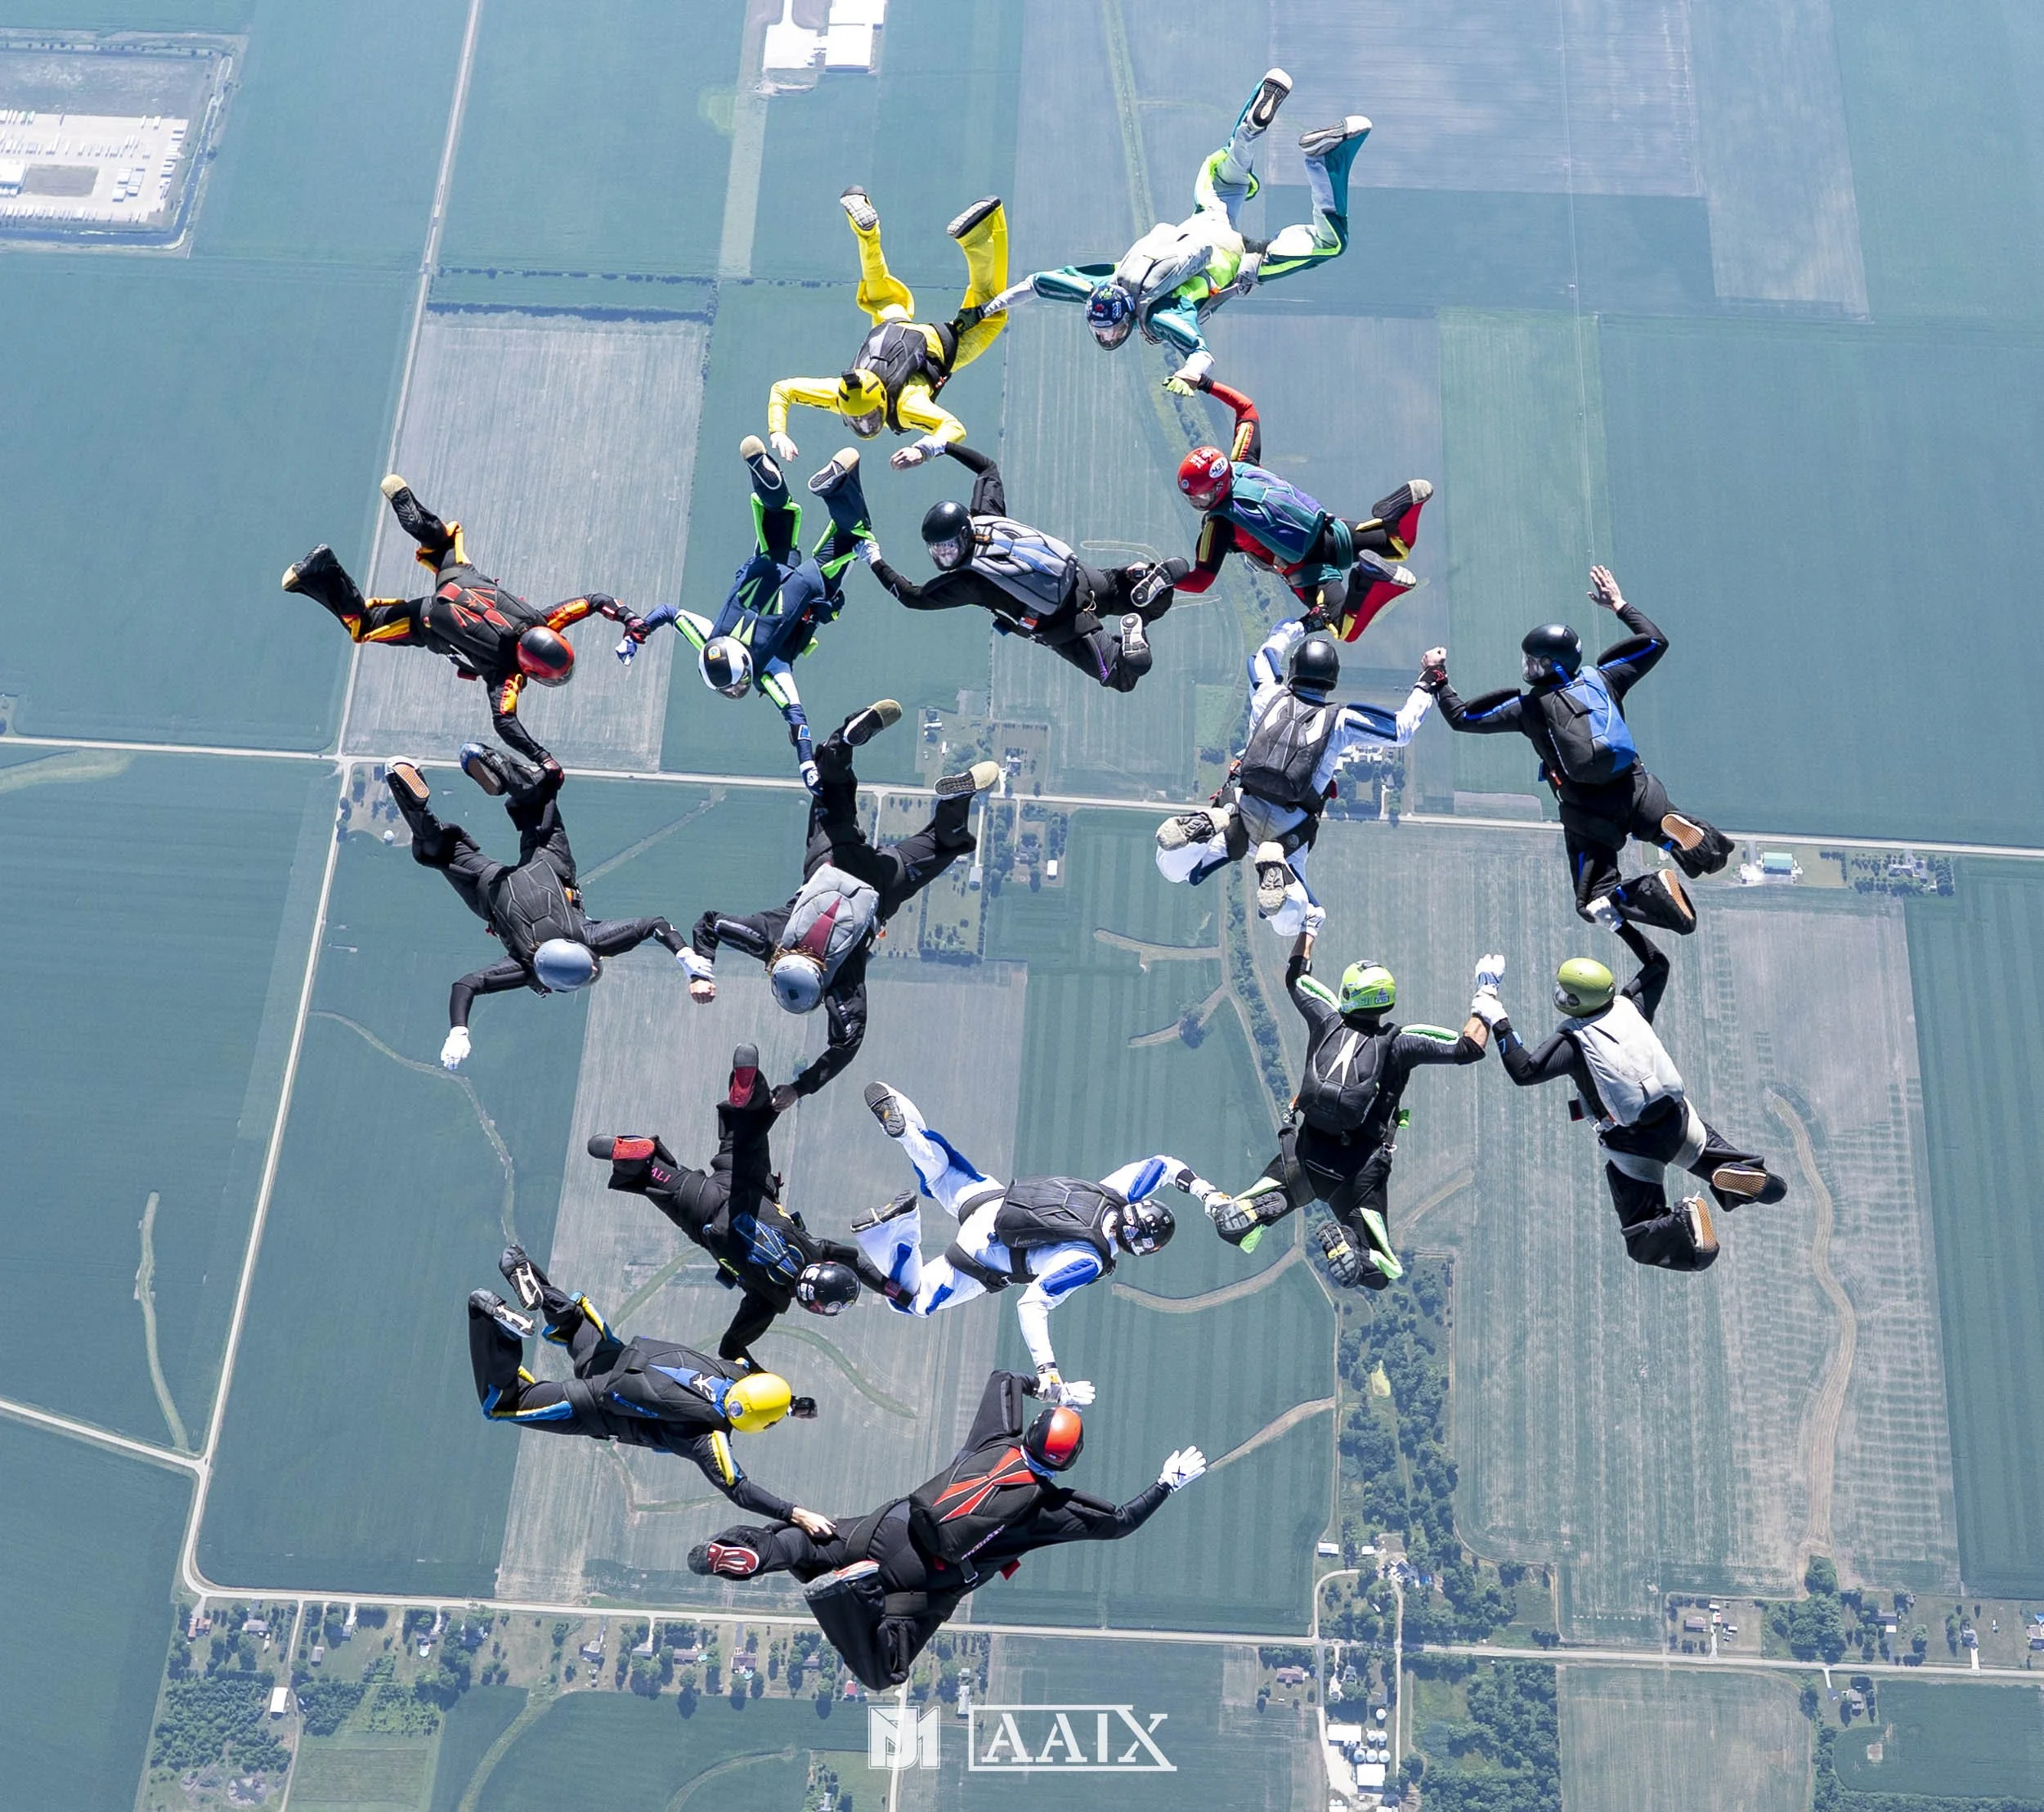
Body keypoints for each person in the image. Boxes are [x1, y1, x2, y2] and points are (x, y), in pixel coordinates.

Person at [686, 1366, 1208, 1689]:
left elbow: (1004, 1379)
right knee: (884, 1670)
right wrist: (1167, 1482)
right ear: (1069, 1462)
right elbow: (1118, 1523)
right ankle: (856, 1592)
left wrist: (1054, 1389)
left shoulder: (993, 1441)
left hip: (886, 1527)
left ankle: (746, 1550)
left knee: (803, 1542)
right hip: (925, 1581)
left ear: (1029, 1430)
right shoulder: (1048, 1507)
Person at [979, 70, 1369, 392]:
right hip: (1203, 223)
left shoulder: (1161, 316)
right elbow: (1035, 284)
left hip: (1238, 259)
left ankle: (1323, 161)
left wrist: (1188, 375)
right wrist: (989, 307)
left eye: (1110, 332)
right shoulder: (1105, 284)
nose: (1109, 337)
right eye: (1106, 333)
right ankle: (1251, 127)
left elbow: (1201, 353)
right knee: (1227, 178)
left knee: (1329, 244)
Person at [682, 712, 999, 1103]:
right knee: (831, 796)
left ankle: (956, 801)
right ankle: (843, 744)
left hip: (881, 886)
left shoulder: (841, 985)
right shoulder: (769, 939)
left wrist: (801, 1088)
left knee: (942, 845)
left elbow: (846, 1044)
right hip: (830, 860)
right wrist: (701, 970)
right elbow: (711, 923)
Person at [850, 1080, 1226, 1405]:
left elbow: (1163, 1164)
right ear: (1144, 1249)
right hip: (983, 1253)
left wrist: (1209, 1196)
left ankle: (907, 1134)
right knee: (913, 1303)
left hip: (994, 1200)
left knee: (942, 1171)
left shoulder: (1114, 1194)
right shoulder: (1090, 1259)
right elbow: (1032, 1303)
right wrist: (1048, 1371)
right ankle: (899, 1229)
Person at [1427, 566, 1735, 934]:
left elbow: (1463, 717)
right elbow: (1654, 642)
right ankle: (1687, 838)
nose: (1527, 667)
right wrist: (1619, 604)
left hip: (1589, 813)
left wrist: (1437, 677)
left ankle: (1655, 891)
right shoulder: (1604, 678)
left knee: (1593, 900)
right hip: (1638, 787)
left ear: (1548, 664)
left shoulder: (1530, 708)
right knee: (1670, 828)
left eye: (1532, 661)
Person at [1477, 923, 1788, 1272]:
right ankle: (1753, 1179)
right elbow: (1658, 964)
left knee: (1642, 1241)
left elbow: (1525, 1071)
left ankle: (1687, 1226)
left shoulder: (1573, 1042)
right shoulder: (1630, 1006)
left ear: (1577, 1001)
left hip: (1634, 1146)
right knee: (1753, 1180)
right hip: (1680, 1124)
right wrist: (1620, 923)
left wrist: (1494, 1013)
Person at [282, 475, 644, 772]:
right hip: (429, 619)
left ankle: (408, 504)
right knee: (364, 626)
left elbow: (595, 601)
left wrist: (629, 619)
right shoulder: (507, 675)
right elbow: (505, 722)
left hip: (461, 580)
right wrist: (543, 758)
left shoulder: (546, 619)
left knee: (443, 541)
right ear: (533, 672)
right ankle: (320, 570)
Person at [468, 1244, 835, 1536]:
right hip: (593, 1406)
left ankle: (533, 1283)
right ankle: (497, 1322)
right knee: (502, 1403)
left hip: (615, 1358)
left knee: (574, 1323)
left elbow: (758, 1385)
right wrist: (796, 1514)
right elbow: (739, 1489)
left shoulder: (735, 1370)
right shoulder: (708, 1438)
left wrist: (791, 1405)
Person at [1209, 938, 1497, 1287]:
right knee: (1375, 1274)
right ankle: (1352, 1244)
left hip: (1304, 1158)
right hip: (1355, 1174)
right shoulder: (1400, 1043)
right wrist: (1487, 994)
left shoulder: (1325, 1020)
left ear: (1348, 994)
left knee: (1234, 1227)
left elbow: (1296, 978)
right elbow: (1468, 1047)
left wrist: (1309, 928)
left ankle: (1255, 1211)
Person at [383, 750, 688, 1070]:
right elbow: (466, 985)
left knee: (539, 803)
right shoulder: (526, 967)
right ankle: (404, 791)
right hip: (489, 890)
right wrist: (458, 1031)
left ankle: (502, 770)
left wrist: (687, 958)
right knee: (438, 849)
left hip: (548, 870)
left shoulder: (590, 938)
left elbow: (654, 924)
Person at [585, 1042, 885, 1369]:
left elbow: (856, 1263)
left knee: (749, 1125)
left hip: (747, 1186)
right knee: (653, 1177)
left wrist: (894, 1291)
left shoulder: (818, 1252)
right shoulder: (769, 1303)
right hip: (704, 1211)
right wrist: (772, 1390)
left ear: (827, 1270)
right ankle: (641, 1160)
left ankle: (749, 1091)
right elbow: (731, 1348)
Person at [1154, 620, 1441, 935]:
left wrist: (1300, 626)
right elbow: (1401, 730)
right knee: (1298, 920)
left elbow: (1261, 658)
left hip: (1239, 811)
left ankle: (1210, 823)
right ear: (1332, 680)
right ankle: (1277, 867)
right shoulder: (1341, 720)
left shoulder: (1268, 696)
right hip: (1288, 831)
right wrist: (1428, 679)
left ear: (1293, 669)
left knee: (1176, 869)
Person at [625, 439, 877, 790]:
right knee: (778, 516)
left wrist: (807, 765)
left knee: (854, 535)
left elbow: (796, 718)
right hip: (771, 566)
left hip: (809, 586)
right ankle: (763, 474)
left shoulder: (769, 669)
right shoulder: (710, 638)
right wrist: (636, 635)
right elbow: (668, 613)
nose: (739, 690)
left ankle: (838, 488)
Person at [864, 441, 1188, 693]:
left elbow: (913, 597)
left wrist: (874, 558)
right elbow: (987, 469)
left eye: (947, 548)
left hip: (1066, 623)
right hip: (1083, 578)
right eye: (938, 550)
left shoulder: (970, 581)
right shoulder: (986, 516)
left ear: (962, 537)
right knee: (1145, 605)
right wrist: (937, 448)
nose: (943, 556)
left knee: (1120, 676)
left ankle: (1131, 641)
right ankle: (1140, 578)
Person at [1172, 375, 1430, 644]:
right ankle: (1398, 516)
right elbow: (1246, 408)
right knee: (1396, 545)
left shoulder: (1220, 523)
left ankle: (1368, 580)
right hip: (1329, 532)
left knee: (1344, 628)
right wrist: (1203, 382)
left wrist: (1163, 579)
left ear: (1215, 490)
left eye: (1199, 497)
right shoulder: (1244, 465)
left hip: (1307, 569)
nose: (1197, 503)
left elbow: (1200, 581)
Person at [768, 191, 1007, 472]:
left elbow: (954, 427)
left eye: (868, 418)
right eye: (861, 420)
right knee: (879, 291)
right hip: (892, 327)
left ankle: (978, 235)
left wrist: (923, 450)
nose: (866, 424)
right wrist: (777, 432)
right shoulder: (839, 391)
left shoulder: (905, 406)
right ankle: (865, 230)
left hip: (939, 345)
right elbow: (783, 390)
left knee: (991, 312)